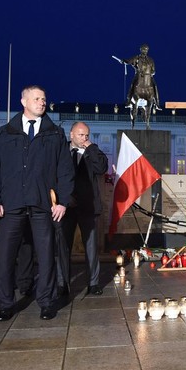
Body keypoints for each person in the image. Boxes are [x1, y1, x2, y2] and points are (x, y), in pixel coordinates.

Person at [0, 85, 74, 321]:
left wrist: (62, 202)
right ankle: (5, 303)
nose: (42, 102)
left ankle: (46, 301)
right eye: (36, 98)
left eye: (44, 99)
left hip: (42, 204)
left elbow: (65, 171)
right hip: (11, 204)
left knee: (46, 255)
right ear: (23, 101)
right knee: (5, 256)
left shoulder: (54, 134)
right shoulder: (6, 132)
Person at [62, 122, 108, 296]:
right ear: (71, 134)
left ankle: (93, 283)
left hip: (88, 206)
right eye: (81, 135)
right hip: (65, 206)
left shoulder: (91, 152)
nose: (84, 138)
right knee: (63, 247)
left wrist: (91, 147)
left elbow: (102, 167)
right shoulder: (61, 151)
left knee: (91, 247)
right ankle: (63, 283)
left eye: (87, 135)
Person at [123, 43, 160, 111]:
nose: (145, 51)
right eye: (143, 50)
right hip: (138, 76)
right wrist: (124, 61)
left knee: (155, 86)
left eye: (146, 50)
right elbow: (129, 61)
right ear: (141, 50)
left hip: (148, 77)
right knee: (132, 84)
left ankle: (157, 103)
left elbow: (154, 71)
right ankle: (129, 100)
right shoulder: (137, 58)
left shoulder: (151, 60)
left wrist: (149, 74)